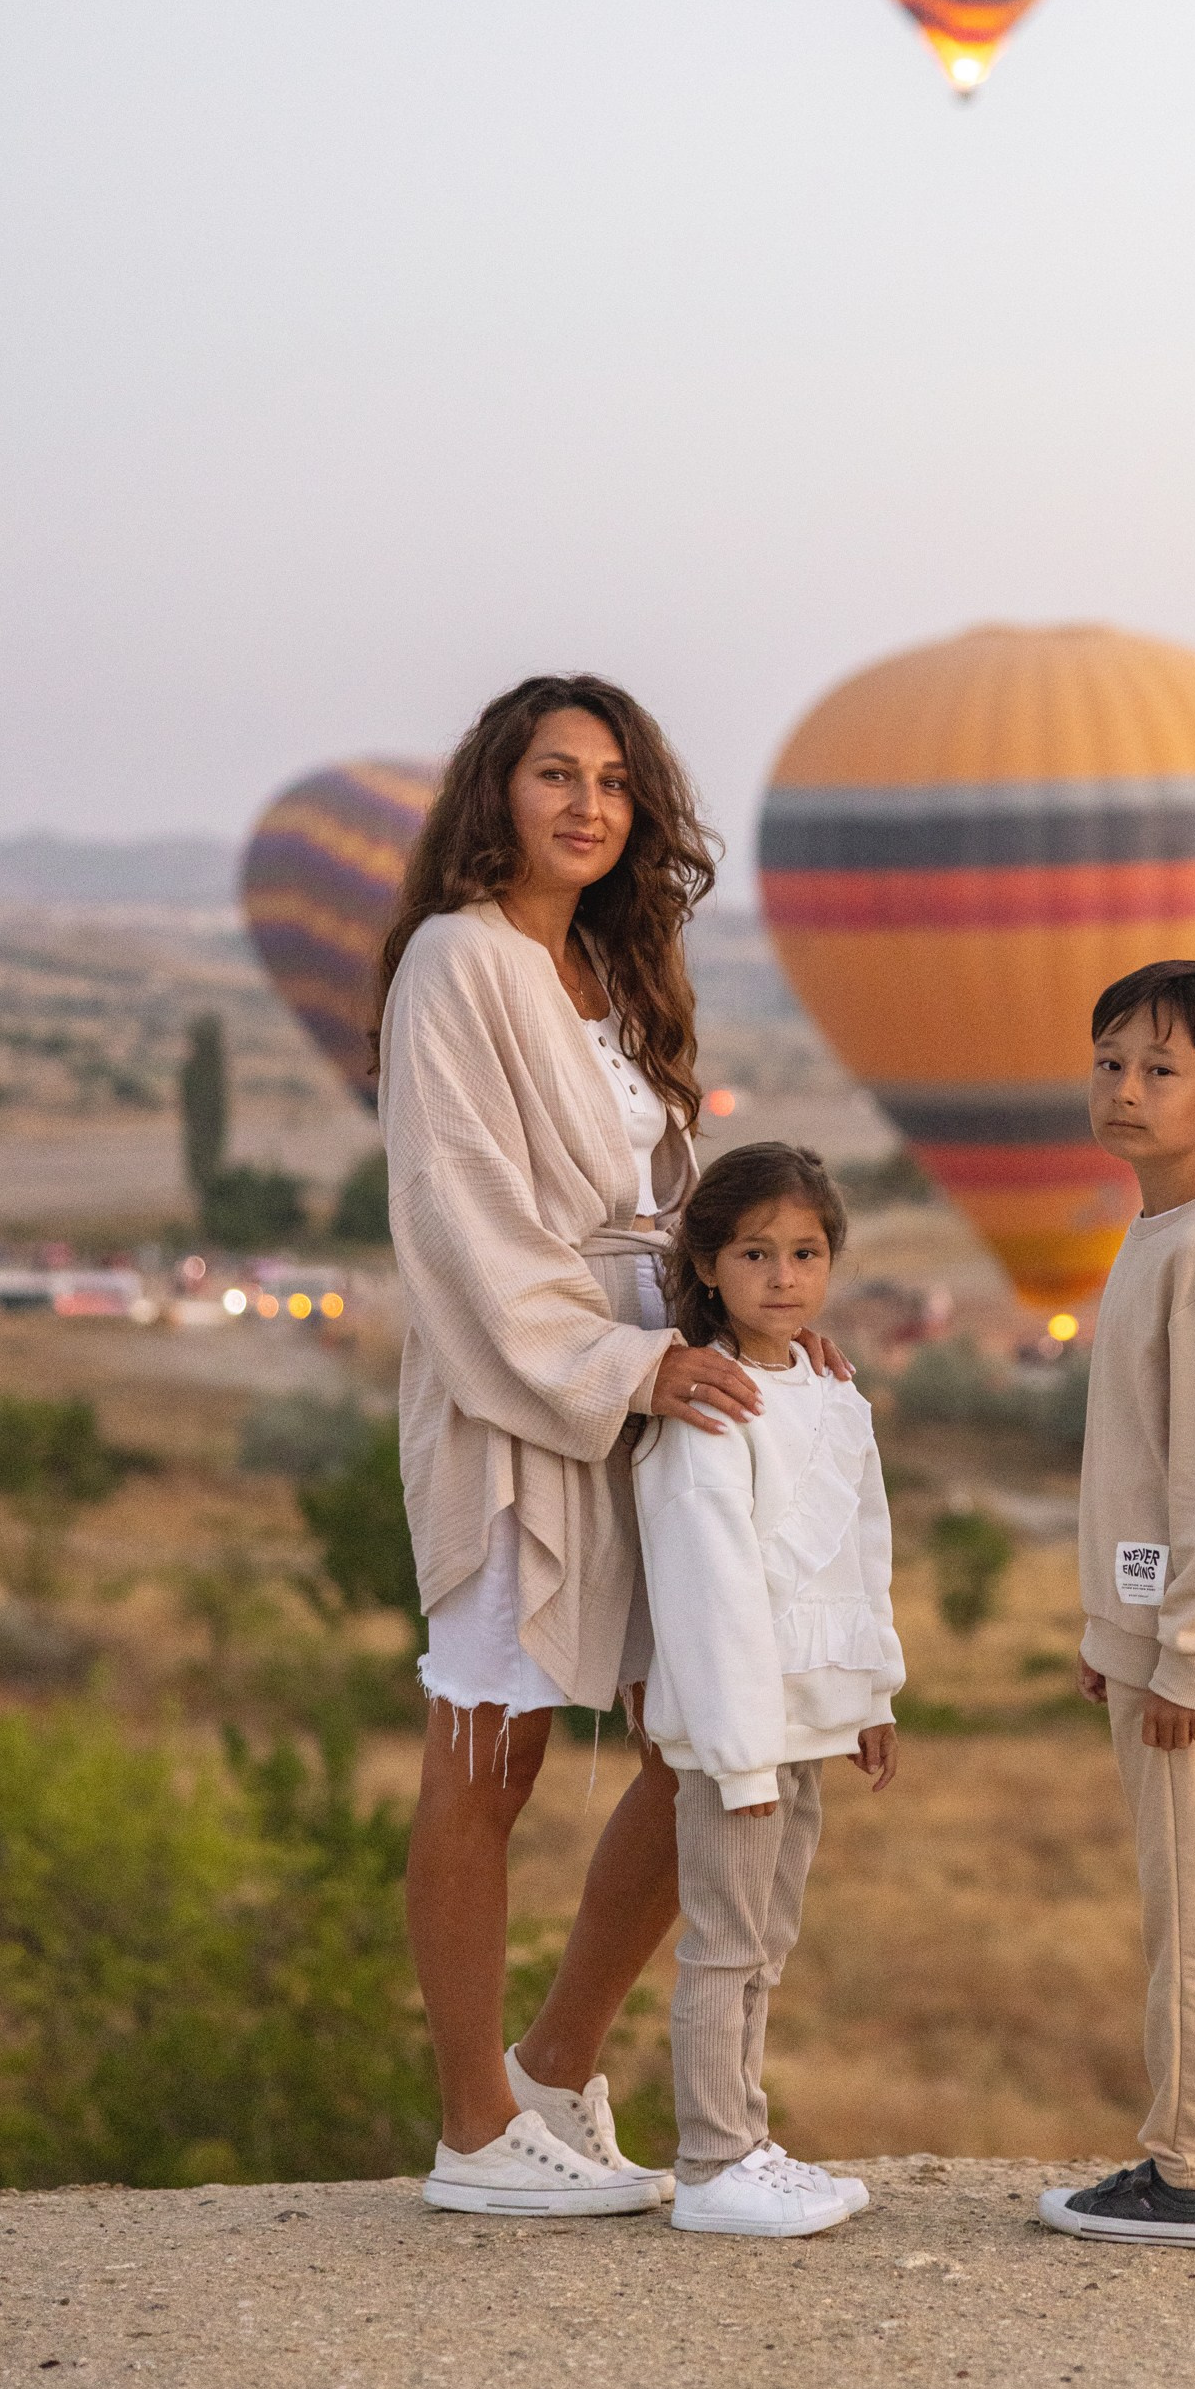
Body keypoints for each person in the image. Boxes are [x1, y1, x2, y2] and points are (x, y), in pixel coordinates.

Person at [376, 673, 841, 2218]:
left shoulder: (617, 972)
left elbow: (680, 1212)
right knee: (488, 1751)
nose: (588, 805)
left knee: (693, 1732)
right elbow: (460, 1215)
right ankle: (473, 2131)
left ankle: (556, 2070)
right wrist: (628, 1365)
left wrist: (758, 1330)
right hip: (520, 1395)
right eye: (555, 774)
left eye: (616, 782)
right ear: (495, 793)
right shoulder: (456, 961)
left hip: (662, 1392)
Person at [1038, 961, 1195, 2253]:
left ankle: (1188, 2173)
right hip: (1168, 1637)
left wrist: (1182, 1654)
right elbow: (1149, 1469)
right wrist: (1116, 1631)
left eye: (1160, 1069)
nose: (1125, 1090)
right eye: (1108, 1063)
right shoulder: (1163, 1237)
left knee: (1190, 1907)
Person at [635, 1143, 902, 2238]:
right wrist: (740, 1757)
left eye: (805, 1253)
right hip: (739, 1738)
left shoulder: (833, 1392)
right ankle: (710, 2161)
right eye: (754, 1253)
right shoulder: (706, 1406)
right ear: (708, 1264)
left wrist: (873, 1697)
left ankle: (747, 2139)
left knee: (768, 1944)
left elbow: (862, 1550)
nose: (783, 1277)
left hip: (805, 1723)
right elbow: (709, 1593)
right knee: (723, 1945)